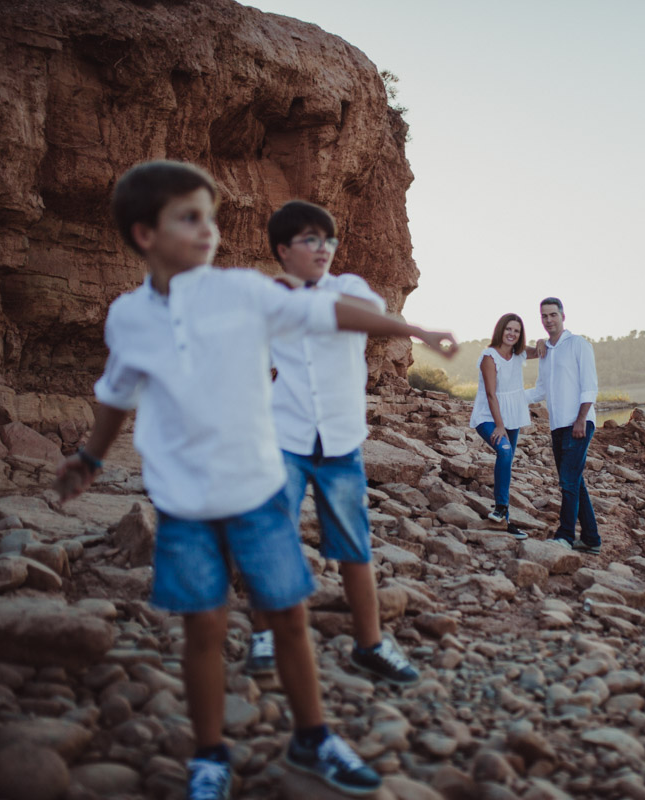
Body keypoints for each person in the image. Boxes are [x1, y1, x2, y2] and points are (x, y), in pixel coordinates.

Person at [54, 161, 456, 800]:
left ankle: (313, 735)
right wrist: (91, 459)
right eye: (189, 218)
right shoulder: (127, 317)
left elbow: (333, 316)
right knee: (204, 628)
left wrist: (417, 331)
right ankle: (210, 754)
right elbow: (116, 392)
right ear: (144, 234)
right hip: (183, 504)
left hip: (258, 495)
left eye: (209, 217)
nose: (207, 230)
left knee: (289, 617)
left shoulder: (243, 292)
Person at [243, 200, 426, 686]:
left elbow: (361, 316)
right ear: (283, 249)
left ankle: (369, 647)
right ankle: (263, 637)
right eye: (309, 240)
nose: (323, 248)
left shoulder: (349, 287)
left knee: (353, 549)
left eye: (328, 239)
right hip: (286, 438)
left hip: (341, 443)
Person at [525, 297, 602, 554]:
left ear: (563, 316)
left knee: (568, 482)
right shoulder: (546, 351)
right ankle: (591, 539)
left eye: (553, 315)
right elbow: (540, 390)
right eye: (544, 316)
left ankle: (565, 536)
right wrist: (509, 398)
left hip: (578, 423)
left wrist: (581, 419)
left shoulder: (579, 345)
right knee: (574, 481)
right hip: (557, 426)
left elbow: (590, 386)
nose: (549, 320)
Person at [468, 313, 537, 539]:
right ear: (501, 330)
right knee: (505, 451)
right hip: (489, 416)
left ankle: (504, 522)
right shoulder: (489, 356)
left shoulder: (519, 354)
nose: (512, 334)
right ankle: (500, 508)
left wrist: (546, 343)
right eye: (509, 329)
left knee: (507, 461)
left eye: (516, 331)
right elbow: (490, 393)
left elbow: (542, 351)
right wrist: (499, 426)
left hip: (512, 415)